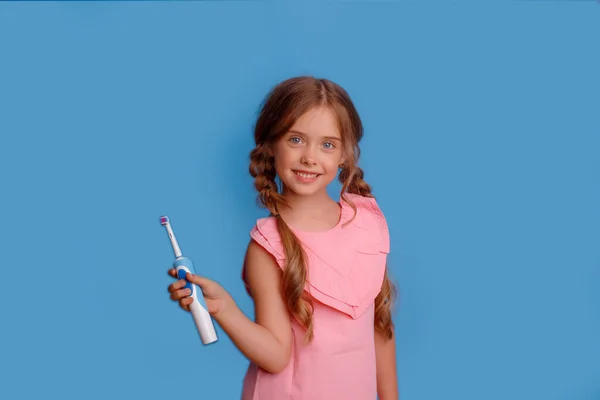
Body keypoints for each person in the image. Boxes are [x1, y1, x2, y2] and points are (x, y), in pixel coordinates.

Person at [167, 76, 398, 400]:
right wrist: (224, 309)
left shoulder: (366, 224)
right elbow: (276, 356)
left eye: (327, 144)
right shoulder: (268, 245)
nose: (309, 157)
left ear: (345, 153)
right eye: (295, 140)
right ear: (271, 146)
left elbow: (380, 328)